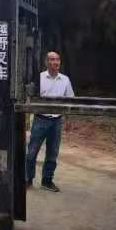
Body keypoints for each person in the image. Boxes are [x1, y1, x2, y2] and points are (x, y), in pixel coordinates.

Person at [26, 51, 74, 192]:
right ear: (46, 62)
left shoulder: (65, 80)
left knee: (53, 153)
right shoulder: (39, 78)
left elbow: (70, 99)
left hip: (57, 121)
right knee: (32, 152)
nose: (55, 62)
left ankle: (47, 181)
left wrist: (68, 118)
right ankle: (28, 179)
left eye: (57, 59)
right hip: (40, 119)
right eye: (52, 59)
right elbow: (30, 98)